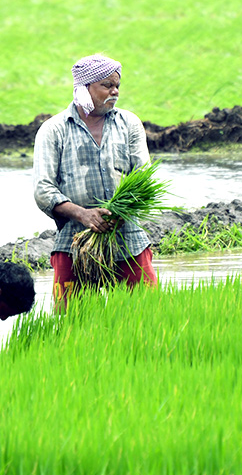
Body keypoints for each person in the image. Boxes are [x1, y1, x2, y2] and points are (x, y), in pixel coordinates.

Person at [33, 54, 157, 308]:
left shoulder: (129, 123)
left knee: (148, 312)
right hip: (75, 240)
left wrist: (120, 211)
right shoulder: (54, 129)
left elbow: (143, 178)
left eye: (117, 86)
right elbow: (43, 190)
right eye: (107, 86)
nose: (115, 92)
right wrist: (84, 215)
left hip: (126, 236)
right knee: (71, 320)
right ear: (85, 88)